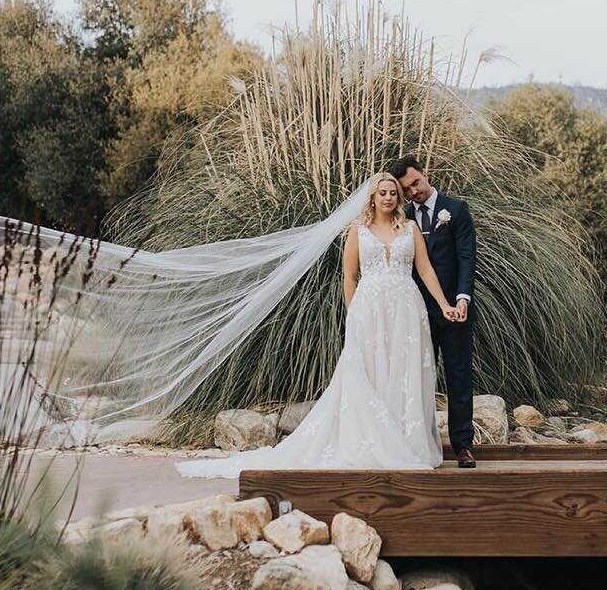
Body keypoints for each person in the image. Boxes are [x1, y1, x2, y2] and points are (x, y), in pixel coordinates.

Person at [176, 172, 460, 477]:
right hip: (369, 312)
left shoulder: (410, 229)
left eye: (393, 192)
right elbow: (349, 277)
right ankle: (373, 443)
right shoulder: (358, 231)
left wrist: (445, 305)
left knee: (404, 375)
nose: (389, 197)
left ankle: (407, 443)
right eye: (383, 193)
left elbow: (426, 271)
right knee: (372, 374)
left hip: (406, 310)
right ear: (373, 198)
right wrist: (353, 315)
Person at [388, 156, 478, 469]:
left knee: (458, 375)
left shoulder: (456, 210)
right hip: (415, 312)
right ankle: (420, 443)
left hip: (455, 308)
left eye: (415, 183)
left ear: (425, 175)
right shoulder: (402, 218)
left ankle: (463, 445)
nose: (413, 191)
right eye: (406, 189)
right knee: (417, 378)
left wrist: (463, 299)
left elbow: (467, 258)